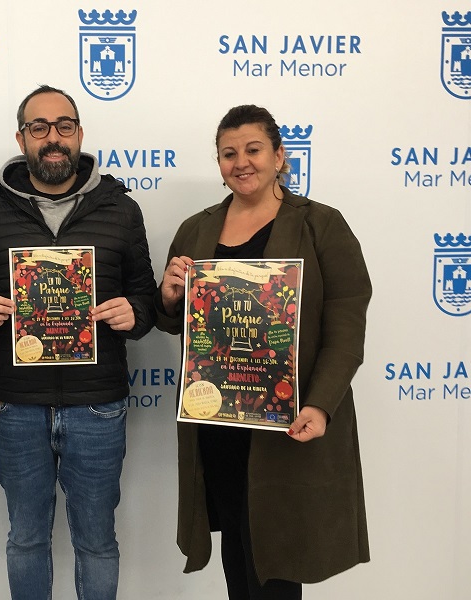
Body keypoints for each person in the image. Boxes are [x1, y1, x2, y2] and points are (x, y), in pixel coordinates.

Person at [157, 105, 371, 599]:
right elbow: (177, 319)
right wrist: (168, 296)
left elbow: (346, 325)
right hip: (220, 418)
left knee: (278, 555)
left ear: (279, 156)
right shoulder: (196, 230)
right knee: (236, 546)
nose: (241, 163)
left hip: (287, 420)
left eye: (253, 150)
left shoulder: (321, 224)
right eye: (228, 154)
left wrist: (320, 405)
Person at [0, 84, 157, 600]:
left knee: (97, 542)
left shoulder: (121, 210)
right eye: (39, 127)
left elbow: (147, 301)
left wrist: (134, 312)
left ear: (79, 134)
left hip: (98, 406)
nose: (53, 137)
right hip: (16, 406)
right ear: (21, 138)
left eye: (64, 126)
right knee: (25, 540)